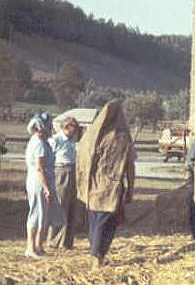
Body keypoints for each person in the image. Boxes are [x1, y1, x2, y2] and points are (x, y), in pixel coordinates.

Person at [77, 100, 135, 267]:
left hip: (92, 188)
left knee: (94, 222)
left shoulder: (90, 136)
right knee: (107, 224)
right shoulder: (122, 137)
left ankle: (95, 255)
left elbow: (81, 160)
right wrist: (130, 189)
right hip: (111, 189)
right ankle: (98, 258)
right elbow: (129, 166)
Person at [24, 113, 66, 258]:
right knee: (37, 214)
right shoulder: (39, 144)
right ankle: (32, 248)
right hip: (39, 182)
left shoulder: (40, 141)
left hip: (41, 180)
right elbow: (39, 168)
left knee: (42, 215)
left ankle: (38, 247)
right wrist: (47, 188)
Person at [47, 117, 79, 250]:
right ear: (66, 127)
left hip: (73, 171)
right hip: (61, 171)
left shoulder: (72, 141)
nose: (75, 131)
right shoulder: (56, 140)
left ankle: (67, 242)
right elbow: (48, 159)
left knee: (72, 207)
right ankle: (54, 240)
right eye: (73, 128)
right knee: (60, 205)